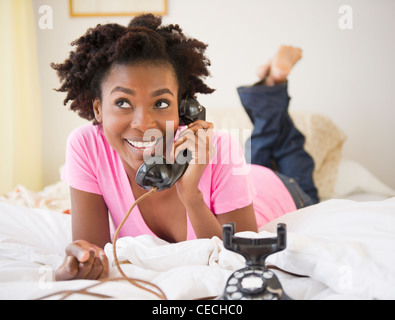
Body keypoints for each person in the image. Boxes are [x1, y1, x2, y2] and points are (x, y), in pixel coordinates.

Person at [52, 14, 318, 281]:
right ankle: (270, 85)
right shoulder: (86, 146)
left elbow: (240, 263)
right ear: (98, 109)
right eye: (122, 102)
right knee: (262, 143)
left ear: (181, 108)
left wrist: (191, 195)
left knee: (283, 146)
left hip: (284, 188)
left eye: (161, 103)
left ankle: (275, 84)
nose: (143, 124)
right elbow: (94, 253)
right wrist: (81, 264)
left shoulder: (220, 147)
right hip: (242, 177)